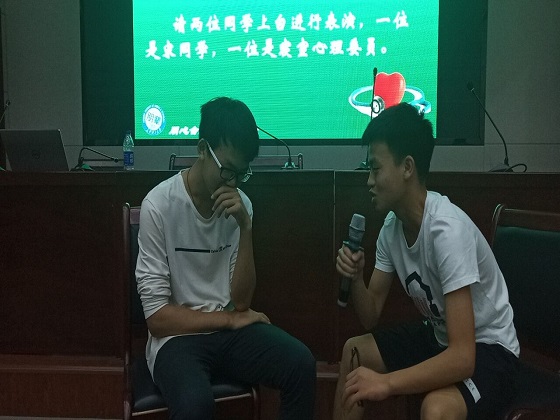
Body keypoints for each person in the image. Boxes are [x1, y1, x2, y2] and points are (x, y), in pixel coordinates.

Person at [333, 103, 519, 420]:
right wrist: (356, 277)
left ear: (407, 167)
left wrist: (387, 383)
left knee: (436, 408)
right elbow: (370, 316)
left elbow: (463, 358)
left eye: (375, 169)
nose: (369, 181)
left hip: (489, 351)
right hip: (440, 338)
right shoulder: (391, 229)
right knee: (355, 352)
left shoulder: (447, 231)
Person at [136, 96, 316, 419]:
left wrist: (245, 228)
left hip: (229, 336)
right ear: (202, 150)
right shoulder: (158, 206)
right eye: (227, 171)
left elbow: (241, 301)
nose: (232, 182)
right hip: (176, 341)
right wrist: (229, 319)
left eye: (241, 174)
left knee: (300, 364)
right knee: (195, 404)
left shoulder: (240, 206)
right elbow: (158, 319)